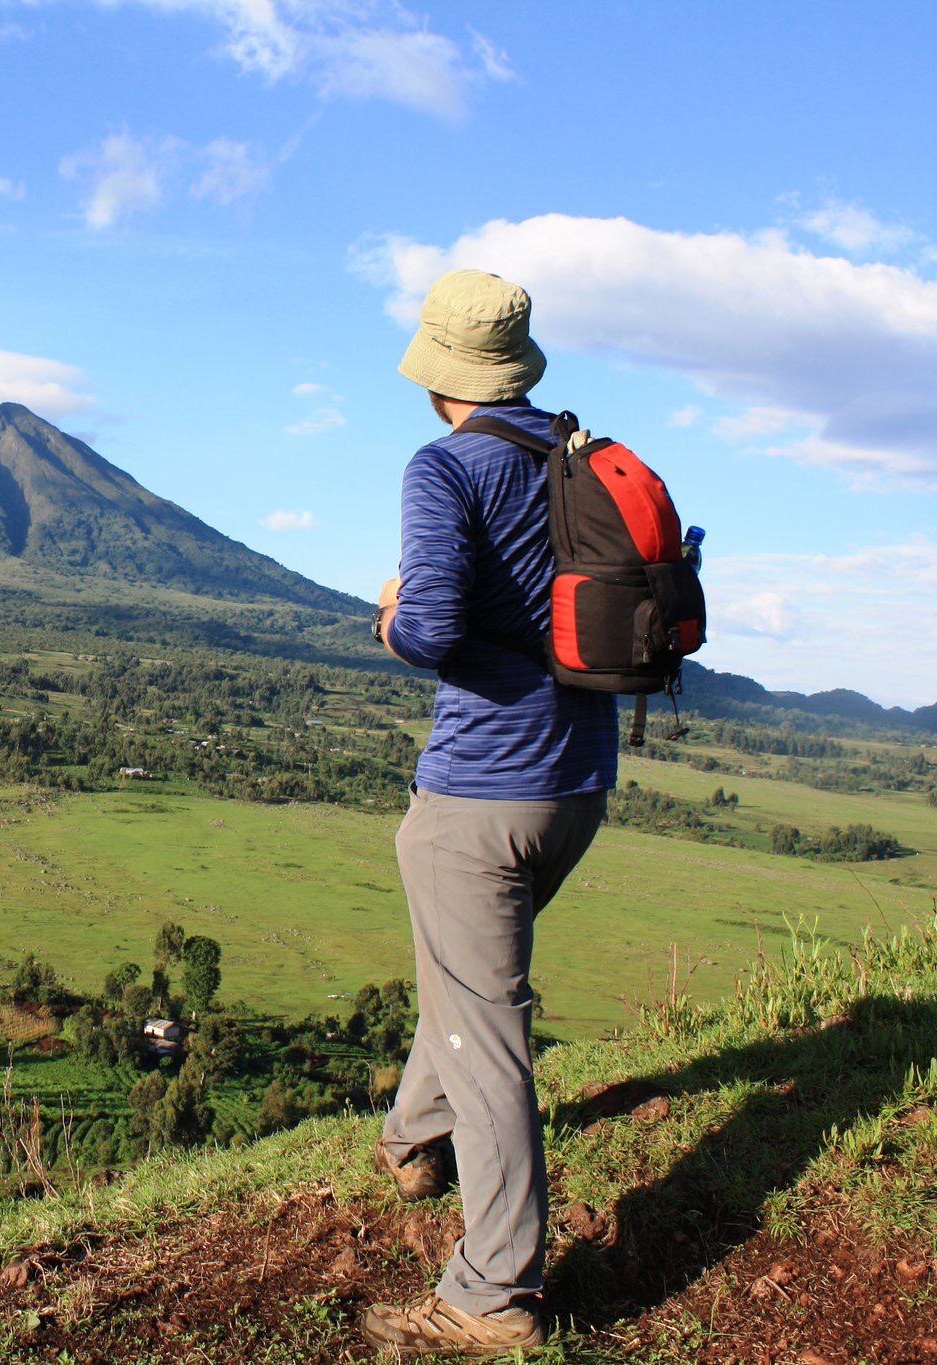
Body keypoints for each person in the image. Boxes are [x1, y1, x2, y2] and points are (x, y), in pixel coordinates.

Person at [362, 269, 617, 1356]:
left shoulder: (445, 467)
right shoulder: (581, 460)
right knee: (461, 980)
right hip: (579, 786)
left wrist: (384, 618)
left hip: (479, 792)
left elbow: (426, 628)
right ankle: (412, 1141)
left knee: (486, 1027)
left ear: (437, 376)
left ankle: (490, 1294)